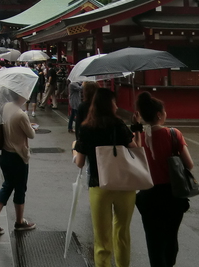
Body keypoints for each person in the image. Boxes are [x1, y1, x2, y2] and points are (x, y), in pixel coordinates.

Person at [73, 88, 138, 267]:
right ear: (108, 105)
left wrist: (74, 149)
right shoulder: (119, 125)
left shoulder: (87, 128)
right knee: (122, 233)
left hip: (99, 186)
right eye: (114, 103)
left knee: (101, 239)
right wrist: (136, 126)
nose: (116, 106)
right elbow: (136, 150)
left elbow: (80, 163)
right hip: (124, 186)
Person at [135, 91, 195, 267]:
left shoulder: (138, 138)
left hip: (148, 195)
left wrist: (136, 125)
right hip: (172, 195)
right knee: (170, 237)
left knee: (153, 240)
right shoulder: (174, 134)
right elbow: (189, 164)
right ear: (159, 115)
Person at [0, 95, 36, 235]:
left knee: (7, 185)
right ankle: (19, 222)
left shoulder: (6, 107)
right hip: (18, 156)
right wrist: (30, 126)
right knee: (20, 188)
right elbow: (31, 134)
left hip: (5, 154)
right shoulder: (21, 115)